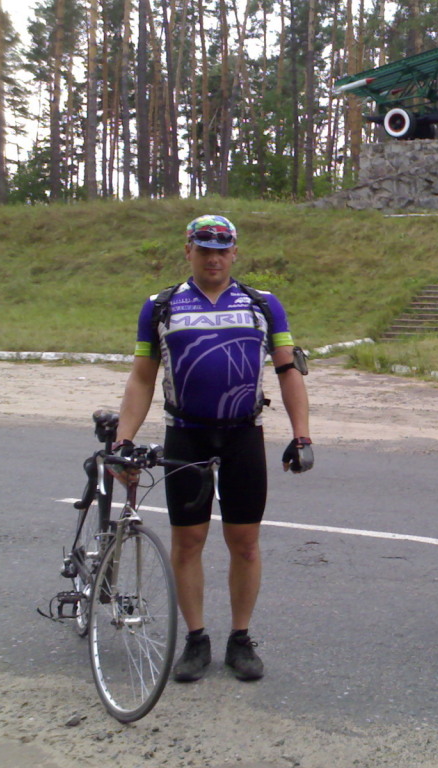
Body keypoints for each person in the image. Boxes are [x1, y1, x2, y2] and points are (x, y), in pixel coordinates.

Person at [113, 214, 313, 683]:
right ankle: (195, 638)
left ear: (235, 253)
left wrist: (302, 435)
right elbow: (142, 378)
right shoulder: (161, 306)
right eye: (204, 250)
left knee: (245, 543)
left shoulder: (263, 305)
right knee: (188, 542)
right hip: (187, 434)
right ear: (189, 251)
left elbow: (288, 371)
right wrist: (123, 439)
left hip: (243, 434)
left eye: (222, 250)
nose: (214, 259)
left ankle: (240, 639)